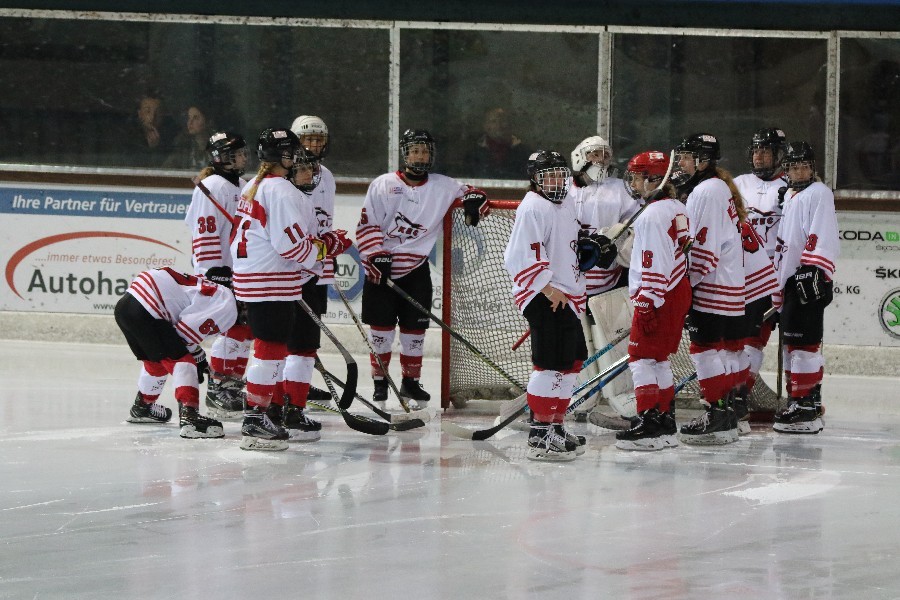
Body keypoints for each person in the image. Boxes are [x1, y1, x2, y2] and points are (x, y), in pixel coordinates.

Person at [230, 127, 352, 451]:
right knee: (270, 350)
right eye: (292, 151)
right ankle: (255, 419)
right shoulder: (281, 191)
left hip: (256, 278)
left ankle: (261, 414)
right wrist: (329, 247)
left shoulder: (256, 186)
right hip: (270, 280)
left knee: (270, 349)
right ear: (283, 156)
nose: (297, 156)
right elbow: (295, 249)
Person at [356, 129, 488, 405]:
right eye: (415, 150)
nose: (421, 156)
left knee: (414, 332)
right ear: (405, 153)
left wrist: (475, 201)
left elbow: (474, 195)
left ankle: (410, 383)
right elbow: (367, 226)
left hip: (416, 269)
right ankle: (380, 383)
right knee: (381, 330)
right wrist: (375, 255)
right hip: (382, 268)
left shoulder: (443, 185)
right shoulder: (383, 185)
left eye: (425, 151)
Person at [504, 150, 588, 461]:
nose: (555, 181)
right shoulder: (533, 207)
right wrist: (549, 288)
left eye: (558, 174)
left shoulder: (566, 202)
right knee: (550, 362)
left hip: (567, 293)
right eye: (547, 175)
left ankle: (555, 423)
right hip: (544, 295)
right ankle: (539, 433)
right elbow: (517, 257)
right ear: (535, 179)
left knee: (574, 358)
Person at [613, 151, 691, 451]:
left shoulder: (653, 214)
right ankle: (665, 421)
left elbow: (652, 261)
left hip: (659, 294)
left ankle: (649, 423)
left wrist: (647, 299)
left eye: (636, 176)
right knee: (657, 359)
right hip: (676, 290)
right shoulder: (676, 207)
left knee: (641, 358)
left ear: (654, 179)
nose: (632, 182)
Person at [673, 133, 744, 445]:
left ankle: (716, 413)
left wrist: (687, 286)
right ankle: (725, 413)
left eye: (687, 156)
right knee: (716, 349)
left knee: (705, 349)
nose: (681, 162)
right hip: (727, 282)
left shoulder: (705, 192)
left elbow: (702, 250)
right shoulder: (715, 187)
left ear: (702, 160)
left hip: (712, 283)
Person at [114, 267, 237, 439]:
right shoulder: (225, 298)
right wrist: (196, 359)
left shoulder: (200, 285)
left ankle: (142, 407)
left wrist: (197, 354)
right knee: (183, 362)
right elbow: (183, 335)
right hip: (148, 309)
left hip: (125, 306)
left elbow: (178, 335)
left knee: (156, 362)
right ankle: (190, 418)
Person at [184, 131, 252, 421]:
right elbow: (203, 229)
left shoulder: (245, 185)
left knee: (245, 328)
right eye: (235, 153)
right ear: (220, 157)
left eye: (242, 153)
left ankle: (233, 385)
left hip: (242, 270)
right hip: (219, 270)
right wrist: (213, 270)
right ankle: (218, 386)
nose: (242, 158)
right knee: (231, 326)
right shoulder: (212, 186)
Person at [771, 142, 839, 434]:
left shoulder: (819, 193)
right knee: (794, 344)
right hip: (789, 280)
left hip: (805, 278)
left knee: (804, 346)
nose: (799, 171)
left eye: (804, 166)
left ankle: (805, 407)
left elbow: (821, 231)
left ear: (813, 168)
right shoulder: (792, 195)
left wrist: (812, 268)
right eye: (793, 166)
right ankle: (805, 398)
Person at [732, 127, 786, 427]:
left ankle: (740, 396)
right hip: (738, 276)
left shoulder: (793, 186)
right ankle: (727, 393)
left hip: (772, 278)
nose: (759, 155)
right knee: (732, 339)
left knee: (755, 340)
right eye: (756, 149)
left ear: (779, 155)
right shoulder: (738, 184)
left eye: (766, 150)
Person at [290, 115, 337, 402]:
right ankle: (281, 391)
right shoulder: (287, 175)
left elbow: (325, 225)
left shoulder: (327, 176)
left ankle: (298, 386)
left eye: (318, 139)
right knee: (288, 336)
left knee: (308, 335)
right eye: (307, 138)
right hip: (291, 268)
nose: (314, 144)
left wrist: (325, 264)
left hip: (315, 267)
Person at [570, 136, 640, 295]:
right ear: (579, 156)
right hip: (566, 278)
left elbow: (636, 223)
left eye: (605, 155)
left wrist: (621, 236)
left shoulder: (622, 189)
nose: (601, 159)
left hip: (607, 278)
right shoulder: (564, 189)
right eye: (595, 154)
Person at [464, 107, 531, 179]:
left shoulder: (526, 154)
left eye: (503, 121)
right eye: (493, 121)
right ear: (485, 126)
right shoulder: (473, 155)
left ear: (510, 125)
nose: (499, 125)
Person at [127, 91, 177, 167]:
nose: (152, 117)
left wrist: (156, 149)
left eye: (158, 112)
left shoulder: (172, 137)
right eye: (147, 111)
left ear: (163, 115)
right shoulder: (128, 136)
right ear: (140, 114)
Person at [164, 104, 214, 170]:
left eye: (195, 118)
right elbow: (165, 170)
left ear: (208, 122)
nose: (190, 122)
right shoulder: (183, 147)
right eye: (189, 118)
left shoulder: (219, 146)